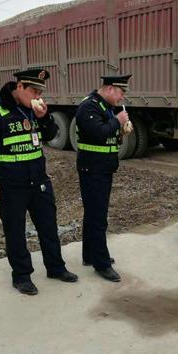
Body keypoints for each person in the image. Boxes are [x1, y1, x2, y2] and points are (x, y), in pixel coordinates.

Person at [0, 69, 78, 295]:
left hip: (39, 180)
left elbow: (50, 135)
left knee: (48, 226)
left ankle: (56, 268)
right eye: (33, 91)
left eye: (40, 92)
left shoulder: (34, 110)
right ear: (19, 86)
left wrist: (44, 118)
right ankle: (22, 276)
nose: (37, 96)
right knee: (15, 232)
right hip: (10, 184)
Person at [75, 74, 130, 282]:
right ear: (109, 89)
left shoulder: (103, 106)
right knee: (98, 218)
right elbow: (98, 132)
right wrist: (117, 121)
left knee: (93, 214)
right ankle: (102, 264)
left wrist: (120, 130)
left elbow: (107, 135)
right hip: (93, 169)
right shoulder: (88, 107)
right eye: (121, 92)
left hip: (102, 168)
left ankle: (90, 255)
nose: (122, 97)